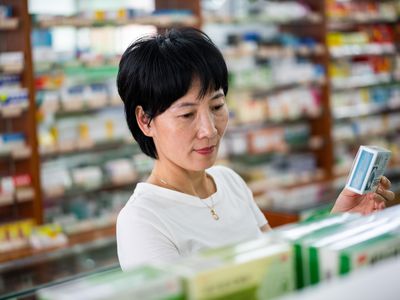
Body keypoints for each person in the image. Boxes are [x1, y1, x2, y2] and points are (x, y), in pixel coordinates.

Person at [116, 27, 394, 271]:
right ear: (145, 120)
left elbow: (280, 268)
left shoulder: (229, 181)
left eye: (216, 106)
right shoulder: (142, 220)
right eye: (187, 115)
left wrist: (340, 218)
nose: (209, 129)